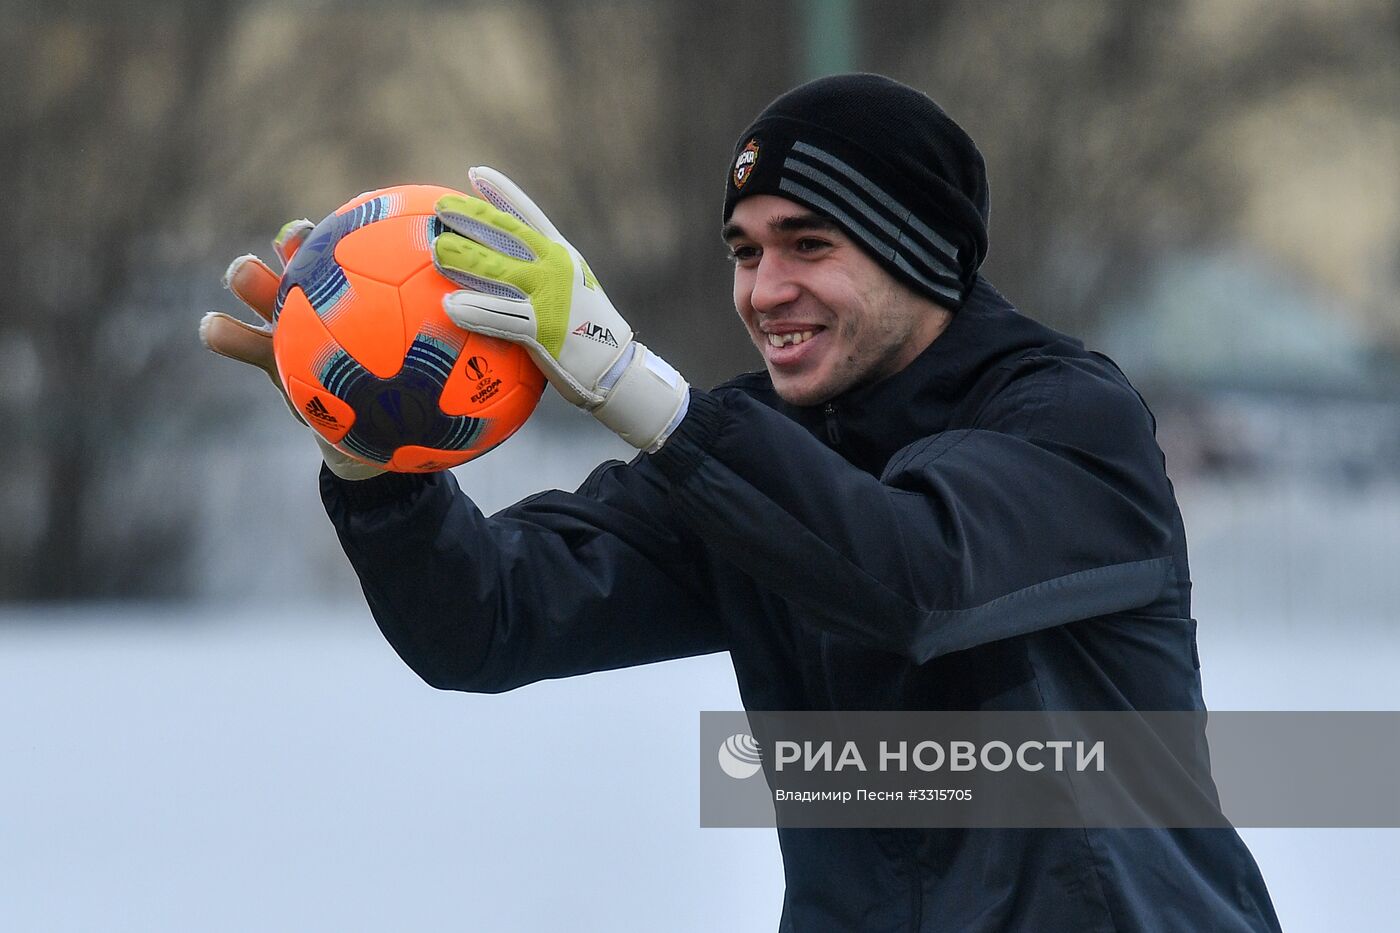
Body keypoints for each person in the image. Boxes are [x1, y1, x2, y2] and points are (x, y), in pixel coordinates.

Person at [202, 74, 1281, 932]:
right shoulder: (749, 453)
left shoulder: (1066, 418)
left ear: (919, 251)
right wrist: (372, 457)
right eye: (744, 250)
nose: (763, 290)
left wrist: (636, 389)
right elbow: (491, 618)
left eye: (808, 244)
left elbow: (916, 580)